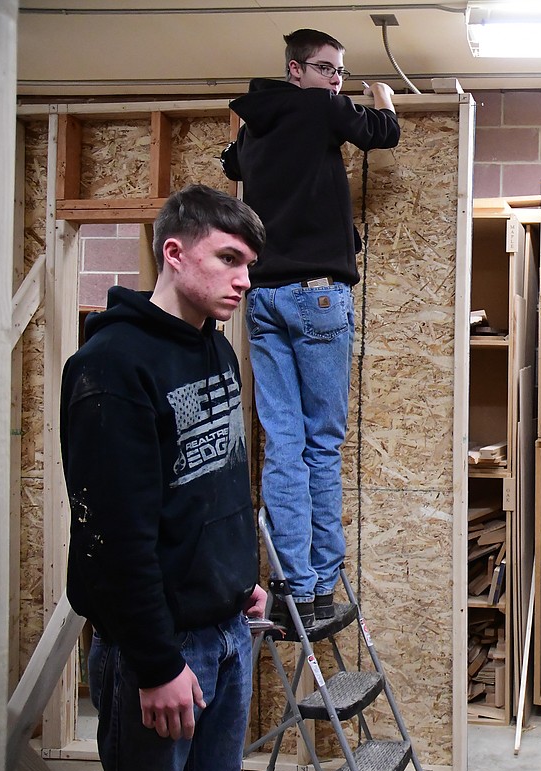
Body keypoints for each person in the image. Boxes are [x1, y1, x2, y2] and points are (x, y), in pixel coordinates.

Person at [62, 184, 268, 771]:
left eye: (249, 265)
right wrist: (155, 663)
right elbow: (113, 535)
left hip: (227, 630)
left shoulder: (217, 350)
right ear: (174, 254)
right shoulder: (112, 366)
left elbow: (219, 485)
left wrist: (236, 583)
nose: (245, 281)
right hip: (160, 650)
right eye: (228, 259)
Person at [221, 28, 401, 629]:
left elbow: (232, 162)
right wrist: (381, 97)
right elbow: (383, 134)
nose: (335, 81)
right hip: (318, 297)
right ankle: (320, 585)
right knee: (321, 445)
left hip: (264, 298)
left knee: (283, 444)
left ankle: (291, 584)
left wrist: (243, 138)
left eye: (341, 73)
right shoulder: (324, 109)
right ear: (295, 71)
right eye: (326, 69)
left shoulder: (256, 125)